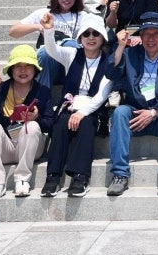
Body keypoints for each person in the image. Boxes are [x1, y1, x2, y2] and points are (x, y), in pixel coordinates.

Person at [105, 12, 158, 196]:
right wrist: (120, 46)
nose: (151, 38)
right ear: (140, 36)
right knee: (119, 113)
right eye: (146, 34)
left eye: (156, 33)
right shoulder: (130, 54)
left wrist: (153, 112)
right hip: (135, 114)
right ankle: (120, 174)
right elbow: (110, 73)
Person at [39, 13, 111, 198]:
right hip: (69, 106)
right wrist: (49, 31)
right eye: (86, 33)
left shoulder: (108, 61)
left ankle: (80, 176)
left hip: (93, 109)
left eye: (95, 33)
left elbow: (102, 95)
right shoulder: (72, 54)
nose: (91, 37)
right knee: (60, 123)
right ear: (80, 38)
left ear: (102, 37)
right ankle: (53, 176)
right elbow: (52, 50)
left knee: (86, 124)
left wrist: (82, 113)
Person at [0, 45, 55, 202]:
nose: (23, 70)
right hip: (6, 147)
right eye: (18, 66)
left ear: (35, 69)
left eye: (28, 66)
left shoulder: (43, 91)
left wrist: (36, 118)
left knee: (31, 126)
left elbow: (50, 124)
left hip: (30, 147)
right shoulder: (1, 88)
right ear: (11, 69)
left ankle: (22, 179)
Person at [8, 0, 86, 87]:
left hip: (69, 64)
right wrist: (38, 27)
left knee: (71, 44)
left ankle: (75, 92)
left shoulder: (82, 16)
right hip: (48, 63)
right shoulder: (44, 13)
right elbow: (13, 31)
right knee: (46, 52)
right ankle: (41, 95)